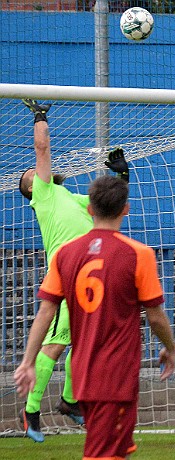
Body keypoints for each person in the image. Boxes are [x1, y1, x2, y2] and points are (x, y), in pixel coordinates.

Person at [14, 175, 175, 460]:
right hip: (114, 375)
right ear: (126, 209)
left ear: (89, 208)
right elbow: (155, 317)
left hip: (84, 372)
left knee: (120, 459)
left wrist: (27, 361)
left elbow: (46, 311)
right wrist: (169, 348)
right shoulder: (138, 254)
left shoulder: (66, 254)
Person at [17, 99, 130, 442]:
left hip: (89, 279)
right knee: (55, 345)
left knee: (84, 345)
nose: (35, 173)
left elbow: (108, 209)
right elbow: (42, 146)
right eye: (31, 175)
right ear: (33, 188)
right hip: (64, 279)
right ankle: (31, 410)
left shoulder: (72, 197)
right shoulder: (45, 195)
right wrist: (39, 115)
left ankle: (69, 401)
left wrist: (121, 175)